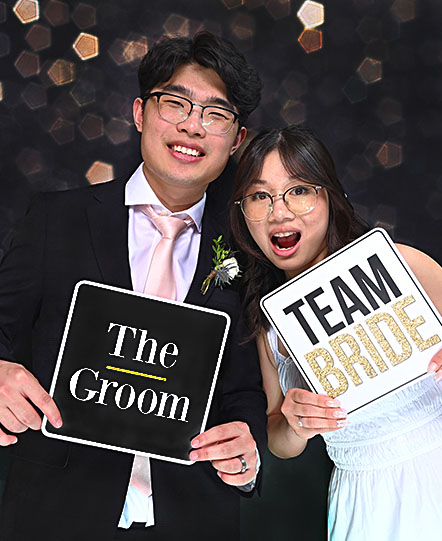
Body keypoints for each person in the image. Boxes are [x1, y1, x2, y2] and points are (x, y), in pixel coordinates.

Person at [0, 32, 268, 540]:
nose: (193, 125)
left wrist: (247, 447)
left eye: (216, 113)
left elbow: (243, 390)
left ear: (236, 141)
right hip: (55, 516)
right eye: (177, 104)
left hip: (194, 520)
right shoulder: (56, 219)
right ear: (141, 112)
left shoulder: (249, 247)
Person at [230, 124, 442, 540]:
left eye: (299, 190)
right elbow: (279, 436)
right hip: (365, 499)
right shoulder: (269, 326)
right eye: (260, 196)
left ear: (329, 196)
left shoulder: (402, 264)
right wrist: (295, 424)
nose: (280, 212)